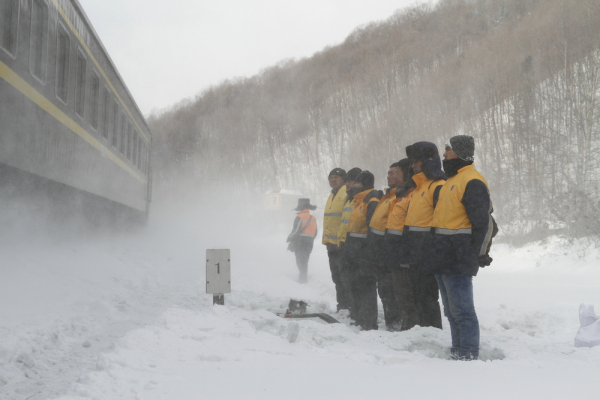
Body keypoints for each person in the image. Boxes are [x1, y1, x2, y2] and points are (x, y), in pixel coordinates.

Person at [428, 135, 497, 360]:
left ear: (461, 152)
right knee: (450, 311)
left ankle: (467, 355)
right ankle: (457, 351)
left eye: (448, 149)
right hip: (442, 255)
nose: (444, 153)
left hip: (458, 256)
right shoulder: (452, 180)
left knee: (463, 311)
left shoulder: (472, 180)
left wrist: (480, 253)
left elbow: (484, 222)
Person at [400, 141, 446, 329]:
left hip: (429, 252)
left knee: (428, 298)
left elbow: (442, 222)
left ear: (428, 161)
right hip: (415, 252)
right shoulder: (417, 189)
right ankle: (424, 333)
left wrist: (435, 251)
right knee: (418, 296)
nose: (413, 165)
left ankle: (433, 333)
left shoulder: (438, 186)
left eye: (417, 161)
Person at [382, 158, 418, 331]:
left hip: (405, 254)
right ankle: (405, 326)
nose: (393, 176)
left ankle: (410, 328)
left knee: (406, 296)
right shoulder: (400, 194)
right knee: (398, 294)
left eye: (396, 172)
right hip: (394, 253)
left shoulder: (412, 194)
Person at [366, 162, 403, 330]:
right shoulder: (386, 196)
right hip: (378, 251)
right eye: (388, 173)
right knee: (384, 290)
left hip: (389, 251)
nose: (388, 176)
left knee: (391, 290)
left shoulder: (397, 197)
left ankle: (395, 323)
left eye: (392, 173)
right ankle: (391, 322)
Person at [343, 171, 381, 330]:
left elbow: (372, 228)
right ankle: (358, 317)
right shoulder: (358, 201)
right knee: (355, 285)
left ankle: (368, 321)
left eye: (357, 183)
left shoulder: (371, 201)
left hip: (363, 251)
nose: (354, 186)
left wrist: (367, 252)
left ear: (364, 184)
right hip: (353, 250)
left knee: (366, 286)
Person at [337, 167, 362, 317]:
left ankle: (357, 312)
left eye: (350, 181)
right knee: (347, 282)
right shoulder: (349, 199)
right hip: (345, 246)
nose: (347, 184)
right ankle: (353, 310)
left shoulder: (359, 200)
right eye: (345, 181)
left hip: (355, 247)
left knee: (356, 283)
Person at [323, 168, 348, 310]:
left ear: (343, 179)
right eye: (330, 178)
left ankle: (347, 306)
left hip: (341, 244)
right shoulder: (332, 195)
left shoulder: (345, 192)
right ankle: (342, 305)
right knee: (337, 278)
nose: (332, 180)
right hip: (331, 244)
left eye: (336, 177)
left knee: (344, 278)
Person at [287, 198, 318, 283]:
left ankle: (302, 279)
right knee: (305, 260)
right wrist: (310, 238)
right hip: (309, 242)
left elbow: (296, 231)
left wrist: (289, 238)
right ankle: (303, 277)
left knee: (300, 261)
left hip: (300, 242)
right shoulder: (313, 218)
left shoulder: (299, 217)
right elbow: (315, 232)